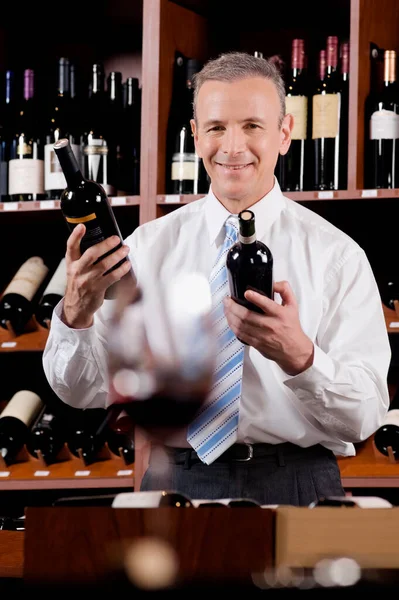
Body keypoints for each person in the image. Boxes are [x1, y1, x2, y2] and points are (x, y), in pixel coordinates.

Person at [42, 51, 391, 506]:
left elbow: (365, 415)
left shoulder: (337, 256)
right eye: (216, 128)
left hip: (299, 485)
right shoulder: (146, 250)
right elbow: (82, 392)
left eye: (252, 126)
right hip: (175, 483)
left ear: (284, 133)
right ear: (194, 135)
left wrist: (300, 356)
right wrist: (76, 315)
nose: (232, 147)